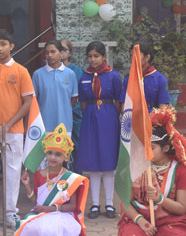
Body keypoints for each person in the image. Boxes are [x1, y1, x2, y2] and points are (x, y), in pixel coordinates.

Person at [0, 28, 34, 229]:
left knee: (12, 172)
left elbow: (27, 103)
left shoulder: (21, 71)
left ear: (11, 46)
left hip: (14, 129)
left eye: (3, 44)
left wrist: (7, 126)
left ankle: (10, 213)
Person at [118, 106, 186, 236]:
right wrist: (140, 221)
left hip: (169, 219)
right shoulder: (138, 167)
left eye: (152, 148)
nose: (146, 152)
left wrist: (160, 199)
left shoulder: (180, 171)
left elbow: (182, 208)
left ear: (166, 148)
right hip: (139, 217)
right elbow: (125, 203)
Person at [16, 123, 89, 236]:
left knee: (55, 229)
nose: (52, 157)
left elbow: (73, 206)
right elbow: (37, 202)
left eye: (58, 154)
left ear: (66, 157)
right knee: (31, 228)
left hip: (61, 214)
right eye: (49, 153)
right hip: (42, 214)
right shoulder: (39, 174)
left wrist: (50, 208)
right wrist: (27, 185)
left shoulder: (70, 178)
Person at [76, 41, 122, 219]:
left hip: (109, 118)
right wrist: (91, 113)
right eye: (90, 56)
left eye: (96, 56)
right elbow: (83, 102)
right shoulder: (83, 76)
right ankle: (95, 204)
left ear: (104, 56)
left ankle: (109, 204)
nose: (93, 59)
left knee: (108, 162)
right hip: (90, 118)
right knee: (93, 162)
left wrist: (111, 116)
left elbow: (119, 101)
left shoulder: (114, 76)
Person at [32, 40, 78, 137]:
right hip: (43, 125)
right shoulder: (38, 74)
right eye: (47, 52)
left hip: (64, 125)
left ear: (61, 53)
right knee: (44, 152)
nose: (49, 55)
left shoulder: (70, 74)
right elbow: (34, 100)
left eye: (53, 52)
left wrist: (63, 108)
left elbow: (74, 99)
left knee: (63, 152)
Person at [120, 41, 169, 113]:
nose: (133, 59)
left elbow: (163, 107)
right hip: (133, 119)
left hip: (153, 119)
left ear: (147, 57)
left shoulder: (160, 79)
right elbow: (123, 105)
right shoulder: (128, 79)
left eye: (136, 56)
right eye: (131, 56)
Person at [60, 39, 84, 173]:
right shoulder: (47, 72)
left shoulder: (77, 71)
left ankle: (76, 181)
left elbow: (81, 95)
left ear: (69, 53)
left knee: (76, 150)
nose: (60, 52)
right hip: (56, 118)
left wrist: (70, 111)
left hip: (74, 116)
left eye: (63, 49)